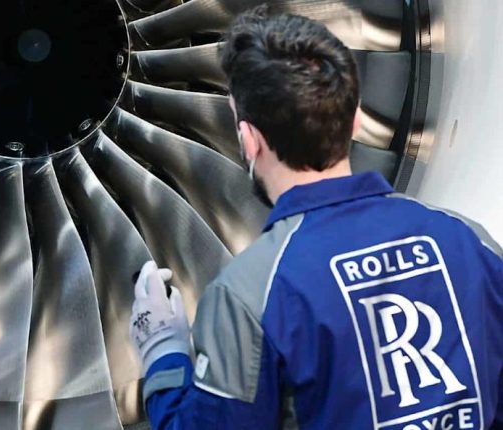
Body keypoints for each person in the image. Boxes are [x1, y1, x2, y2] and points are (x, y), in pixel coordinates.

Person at [129, 6, 503, 429]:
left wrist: (163, 351)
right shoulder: (468, 241)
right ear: (356, 119)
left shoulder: (251, 294)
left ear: (249, 140)